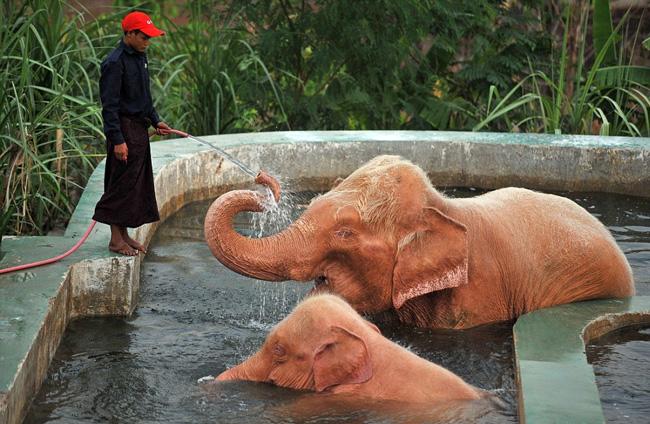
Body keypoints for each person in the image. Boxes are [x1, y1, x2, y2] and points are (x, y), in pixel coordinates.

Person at [93, 11, 171, 256]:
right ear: (129, 34)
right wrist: (118, 140)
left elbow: (144, 98)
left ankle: (124, 234)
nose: (148, 41)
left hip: (139, 129)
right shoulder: (114, 62)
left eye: (150, 36)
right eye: (144, 36)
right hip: (124, 130)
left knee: (135, 184)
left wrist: (156, 121)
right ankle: (116, 240)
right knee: (121, 184)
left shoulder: (140, 57)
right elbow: (110, 106)